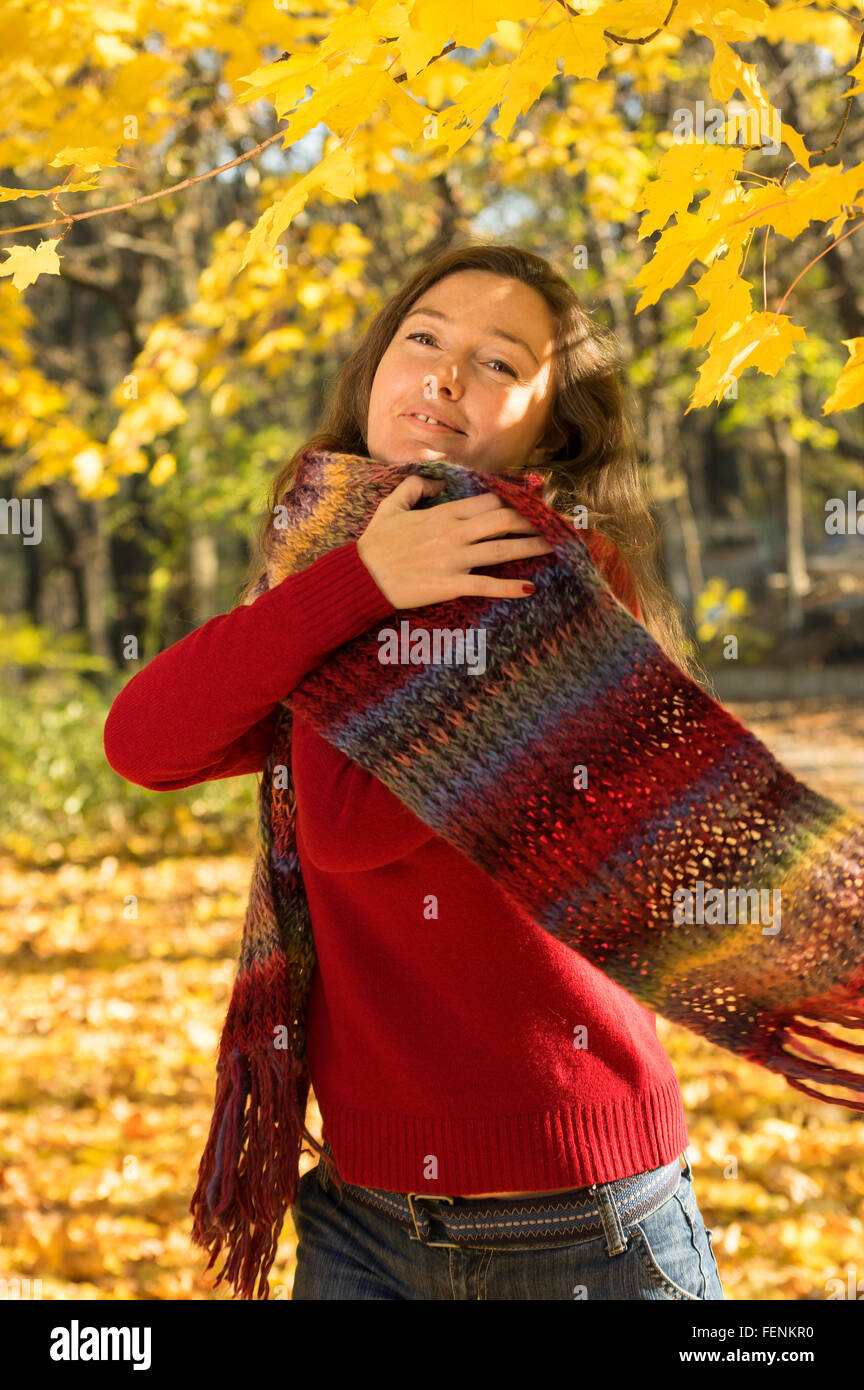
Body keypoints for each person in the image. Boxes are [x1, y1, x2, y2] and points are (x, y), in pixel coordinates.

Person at [103, 240, 724, 1300]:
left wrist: (354, 596)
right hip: (364, 1210)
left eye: (497, 362)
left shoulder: (558, 577)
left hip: (578, 1219)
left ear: (552, 426)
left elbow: (350, 822)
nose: (444, 373)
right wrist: (355, 583)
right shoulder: (333, 566)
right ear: (377, 363)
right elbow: (146, 742)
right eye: (425, 337)